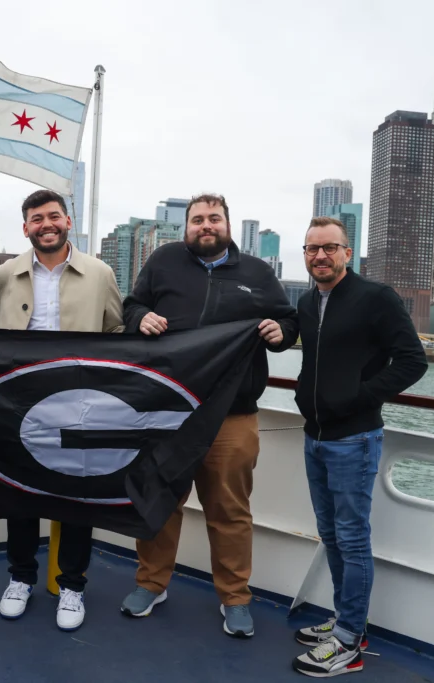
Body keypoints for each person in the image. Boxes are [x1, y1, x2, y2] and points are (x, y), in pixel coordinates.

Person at [120, 193, 298, 639]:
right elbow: (130, 307)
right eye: (197, 219)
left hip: (232, 416)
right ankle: (151, 584)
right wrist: (141, 318)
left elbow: (287, 322)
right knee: (159, 501)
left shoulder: (257, 273)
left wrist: (281, 334)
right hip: (168, 412)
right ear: (186, 227)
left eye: (213, 218)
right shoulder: (163, 262)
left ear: (227, 225)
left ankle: (235, 598)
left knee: (230, 511)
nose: (205, 225)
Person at [291, 217, 427, 676]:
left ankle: (349, 642)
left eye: (329, 248)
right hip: (315, 436)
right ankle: (346, 623)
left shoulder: (376, 298)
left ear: (348, 253)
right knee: (330, 534)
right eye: (311, 249)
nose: (320, 256)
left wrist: (361, 396)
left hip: (355, 438)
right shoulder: (308, 303)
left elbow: (412, 359)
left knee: (351, 539)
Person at [0, 189, 123, 632]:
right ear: (25, 227)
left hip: (78, 406)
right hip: (17, 404)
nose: (46, 224)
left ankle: (73, 586)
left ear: (67, 221)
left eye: (54, 216)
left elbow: (117, 330)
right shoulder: (7, 272)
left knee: (75, 497)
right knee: (19, 493)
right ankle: (20, 578)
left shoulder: (100, 273)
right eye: (36, 218)